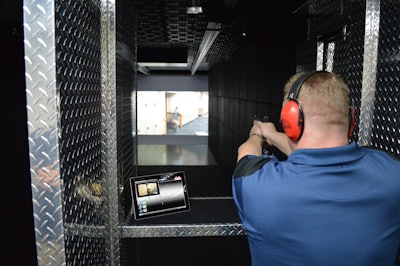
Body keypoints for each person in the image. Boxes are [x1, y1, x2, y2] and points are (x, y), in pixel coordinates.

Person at [232, 71, 400, 266]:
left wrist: (257, 135)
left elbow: (246, 152)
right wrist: (272, 134)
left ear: (290, 121)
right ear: (351, 119)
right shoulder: (392, 172)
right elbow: (314, 151)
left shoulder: (256, 185)